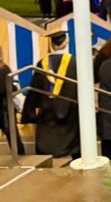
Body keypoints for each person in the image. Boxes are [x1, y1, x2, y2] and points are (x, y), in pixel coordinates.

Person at [20, 30, 80, 159]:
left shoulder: (42, 63)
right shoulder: (75, 62)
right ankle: (75, 155)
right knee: (72, 135)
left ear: (52, 44)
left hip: (48, 107)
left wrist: (29, 112)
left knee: (48, 133)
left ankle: (45, 155)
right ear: (66, 42)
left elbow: (35, 88)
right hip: (71, 107)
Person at [0, 45, 25, 155]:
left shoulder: (4, 69)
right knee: (11, 133)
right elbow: (7, 87)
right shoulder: (4, 68)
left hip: (4, 106)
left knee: (11, 133)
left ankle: (19, 154)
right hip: (5, 106)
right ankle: (19, 155)